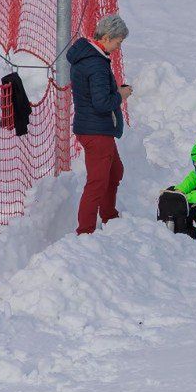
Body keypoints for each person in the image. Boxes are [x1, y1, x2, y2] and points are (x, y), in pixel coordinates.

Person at [68, 14, 131, 236]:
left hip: (96, 128)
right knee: (97, 181)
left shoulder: (90, 58)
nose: (117, 47)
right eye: (117, 42)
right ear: (106, 37)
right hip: (96, 131)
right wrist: (121, 94)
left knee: (115, 172)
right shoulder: (95, 64)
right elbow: (102, 102)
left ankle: (110, 217)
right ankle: (85, 231)